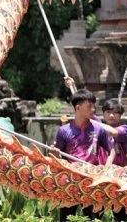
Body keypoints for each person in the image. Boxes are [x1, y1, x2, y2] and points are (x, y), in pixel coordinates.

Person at [51, 89, 115, 220]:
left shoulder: (98, 129)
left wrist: (107, 167)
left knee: (93, 218)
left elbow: (112, 150)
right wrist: (54, 153)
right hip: (70, 181)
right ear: (78, 108)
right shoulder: (64, 131)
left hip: (91, 180)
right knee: (67, 217)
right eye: (89, 106)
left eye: (94, 106)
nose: (93, 110)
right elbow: (55, 157)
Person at [100, 98, 127, 168]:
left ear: (120, 115)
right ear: (103, 114)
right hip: (99, 170)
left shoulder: (125, 129)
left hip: (119, 171)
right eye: (108, 112)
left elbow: (113, 132)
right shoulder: (97, 130)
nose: (111, 115)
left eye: (115, 112)